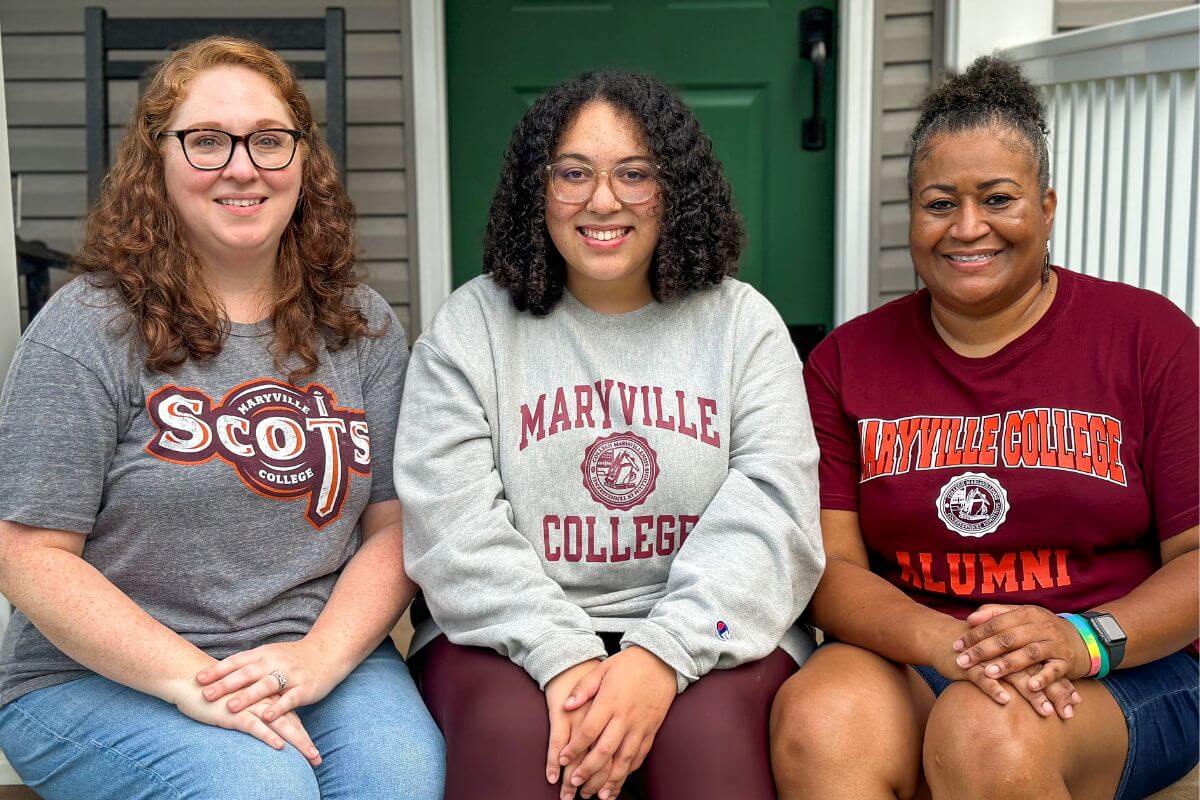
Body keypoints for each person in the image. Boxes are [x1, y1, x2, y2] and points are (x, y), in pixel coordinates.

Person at [0, 36, 444, 800]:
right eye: (207, 141)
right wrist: (189, 679)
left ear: (304, 161)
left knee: (401, 778)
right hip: (100, 675)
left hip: (316, 656)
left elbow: (394, 524)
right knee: (255, 785)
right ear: (157, 162)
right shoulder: (88, 327)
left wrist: (322, 659)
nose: (243, 167)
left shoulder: (359, 324)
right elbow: (29, 553)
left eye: (270, 141)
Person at [770, 56, 1198, 800]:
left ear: (1047, 207)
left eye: (998, 198)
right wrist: (949, 641)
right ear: (912, 213)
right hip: (914, 649)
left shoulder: (1149, 338)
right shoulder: (847, 360)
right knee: (819, 718)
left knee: (986, 727)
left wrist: (1084, 638)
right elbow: (828, 573)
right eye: (940, 204)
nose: (968, 228)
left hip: (1119, 669)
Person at [395, 71, 824, 800]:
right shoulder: (472, 328)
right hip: (509, 636)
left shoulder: (741, 325)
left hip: (708, 633)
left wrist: (661, 655)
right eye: (573, 174)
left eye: (636, 175)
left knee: (706, 741)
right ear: (538, 189)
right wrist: (562, 655)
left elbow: (773, 516)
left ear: (677, 190)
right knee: (512, 736)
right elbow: (453, 527)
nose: (602, 200)